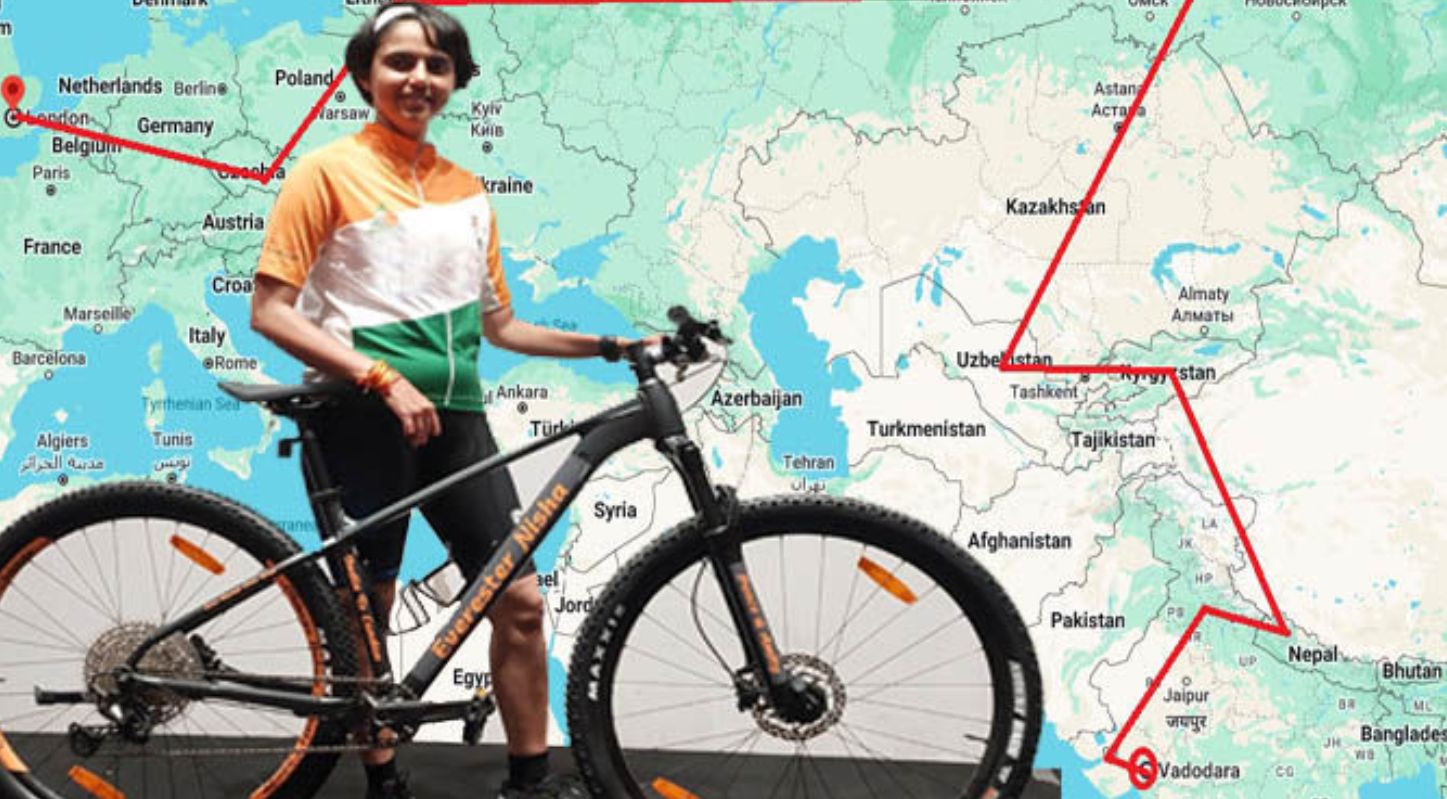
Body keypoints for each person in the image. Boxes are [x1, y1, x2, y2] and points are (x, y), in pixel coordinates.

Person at [251, 5, 629, 798]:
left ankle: (529, 779)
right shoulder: (325, 172)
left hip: (456, 421)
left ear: (454, 80)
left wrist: (610, 346)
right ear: (365, 75)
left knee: (518, 601)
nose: (418, 77)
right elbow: (271, 311)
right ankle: (383, 778)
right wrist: (381, 377)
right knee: (371, 609)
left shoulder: (468, 191)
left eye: (436, 65)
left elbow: (501, 325)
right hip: (364, 418)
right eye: (399, 62)